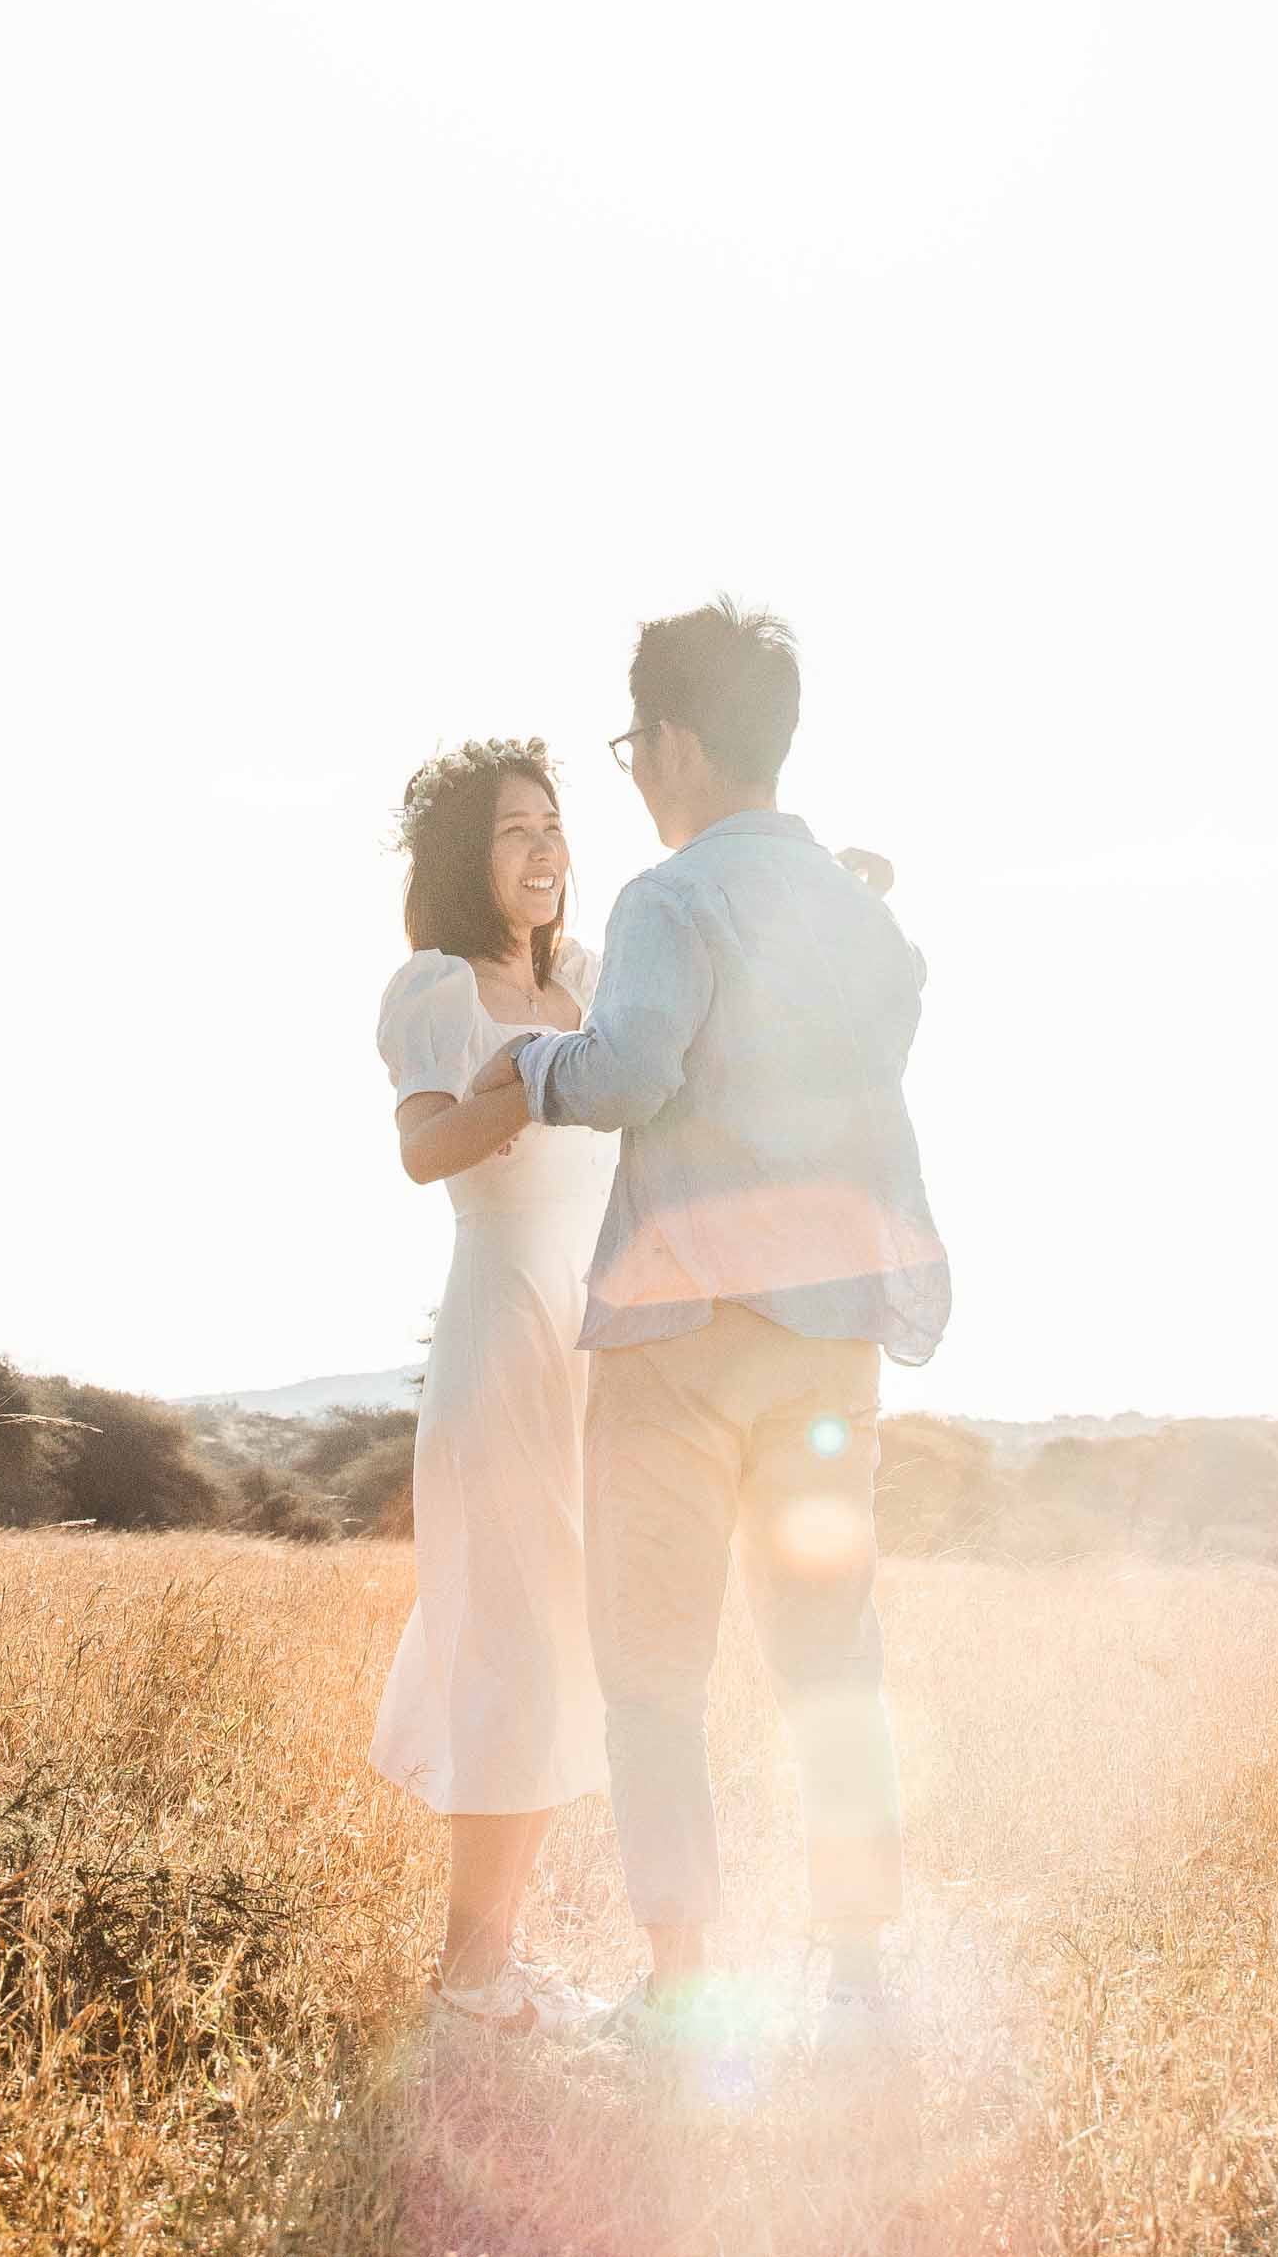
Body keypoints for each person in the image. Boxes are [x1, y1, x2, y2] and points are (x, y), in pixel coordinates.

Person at [469, 600, 949, 2065]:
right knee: (830, 1659)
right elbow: (874, 1038)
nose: (632, 775)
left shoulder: (670, 900)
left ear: (675, 740)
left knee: (654, 1674)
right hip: (830, 1340)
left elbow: (628, 1073)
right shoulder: (865, 918)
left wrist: (533, 1061)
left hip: (679, 1336)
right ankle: (855, 1972)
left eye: (632, 746)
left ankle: (682, 1982)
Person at [369, 736, 616, 2038]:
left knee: (565, 1645)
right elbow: (425, 1153)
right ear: (467, 859)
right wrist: (523, 1086)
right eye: (514, 829)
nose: (543, 850)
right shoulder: (439, 989)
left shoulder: (593, 981)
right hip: (504, 1332)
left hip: (600, 1344)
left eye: (552, 825)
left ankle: (492, 1963)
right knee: (512, 1647)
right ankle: (472, 1977)